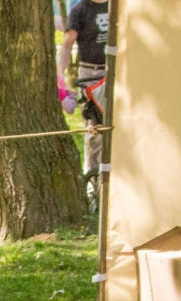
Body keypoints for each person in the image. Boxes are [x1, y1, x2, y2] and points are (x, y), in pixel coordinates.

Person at [58, 0, 109, 173]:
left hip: (115, 72)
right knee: (94, 131)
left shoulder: (117, 5)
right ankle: (93, 183)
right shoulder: (79, 10)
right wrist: (60, 75)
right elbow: (67, 45)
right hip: (90, 75)